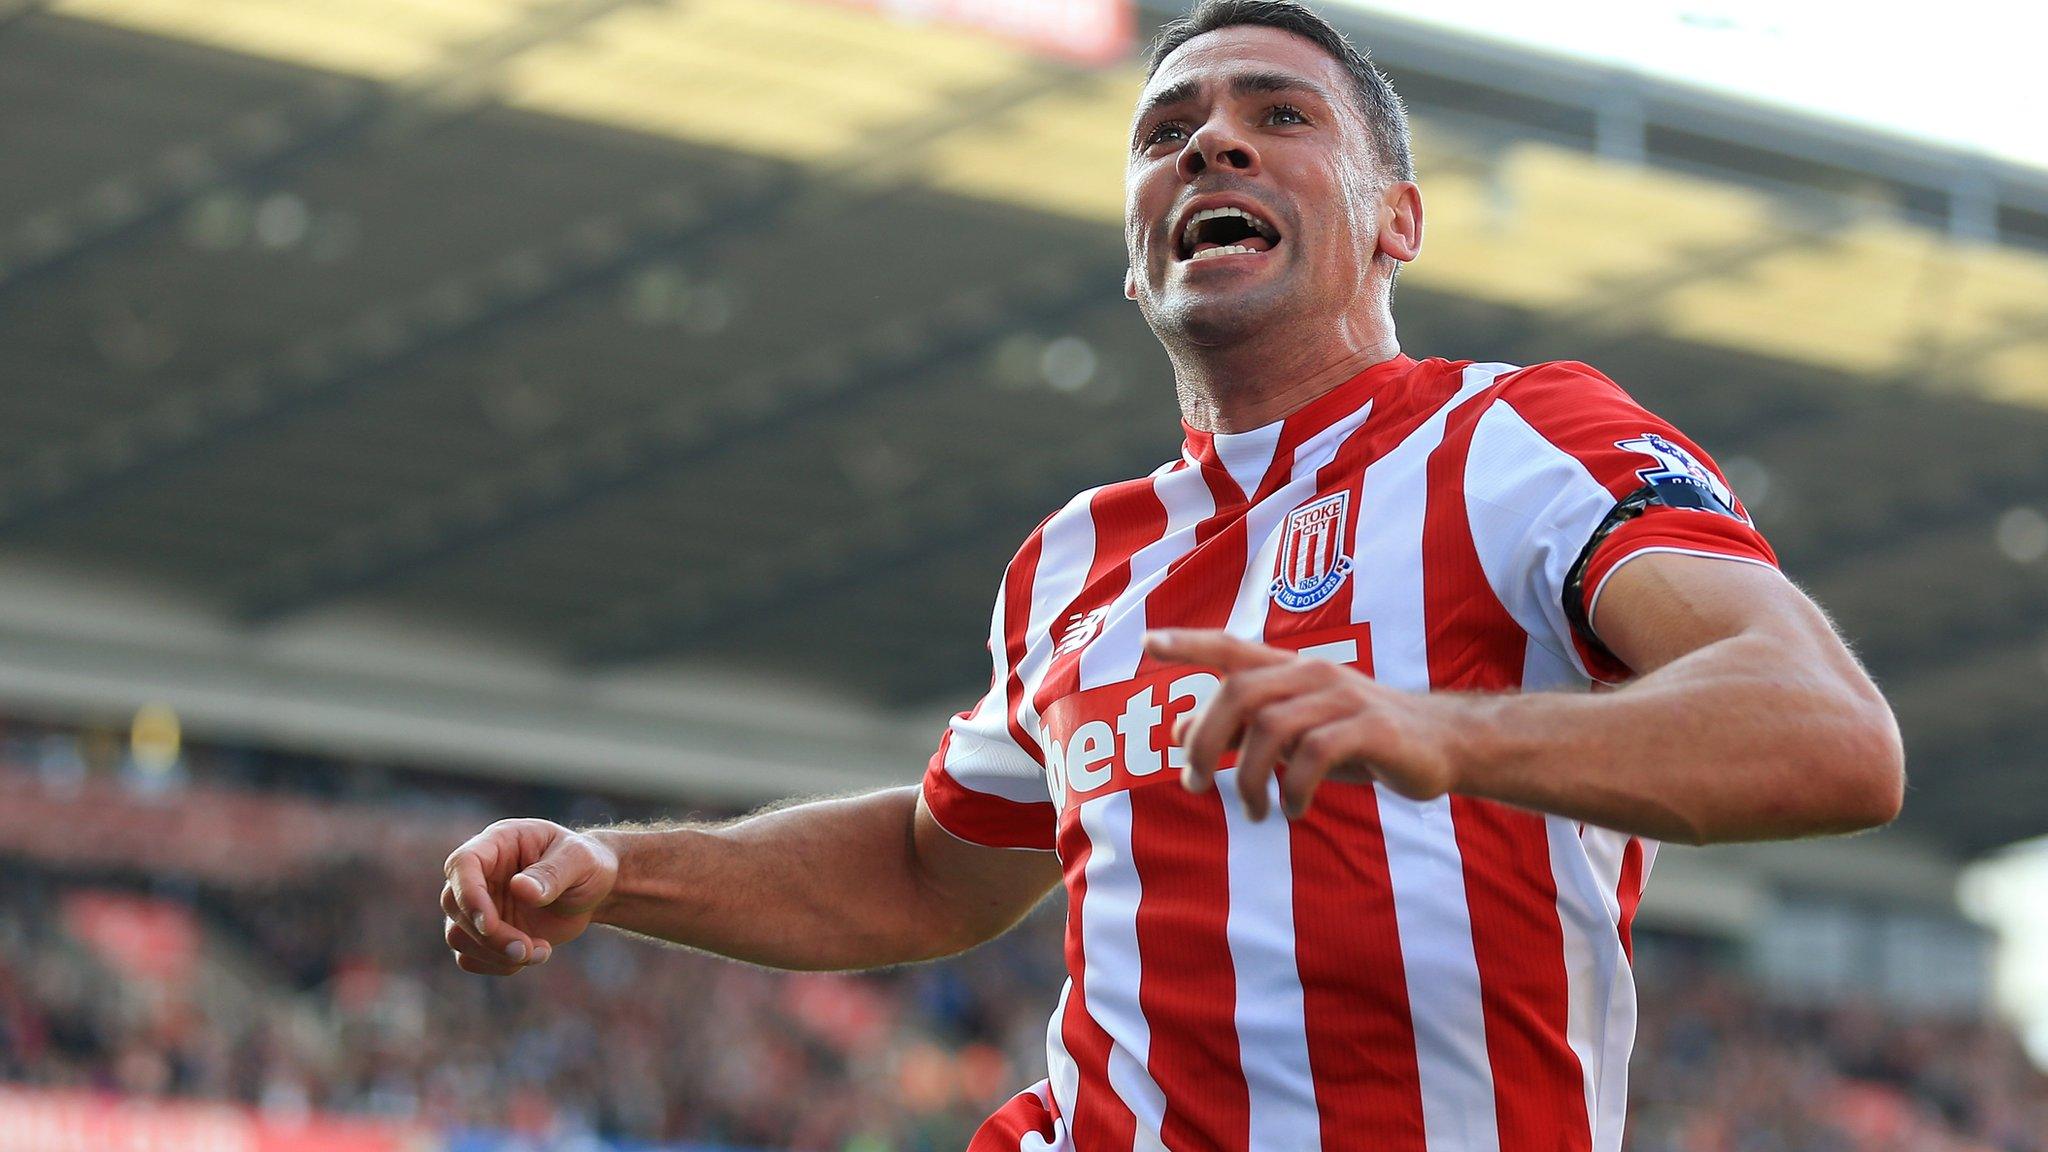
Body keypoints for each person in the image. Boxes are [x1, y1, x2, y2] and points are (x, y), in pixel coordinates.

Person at [440, 2, 1905, 1148]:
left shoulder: (1517, 440)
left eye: (1281, 116)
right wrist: (625, 871)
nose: (1214, 145)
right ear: (1136, 259)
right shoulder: (1074, 561)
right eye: (1168, 131)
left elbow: (1830, 736)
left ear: (1396, 220)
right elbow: (926, 868)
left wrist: (1437, 730)